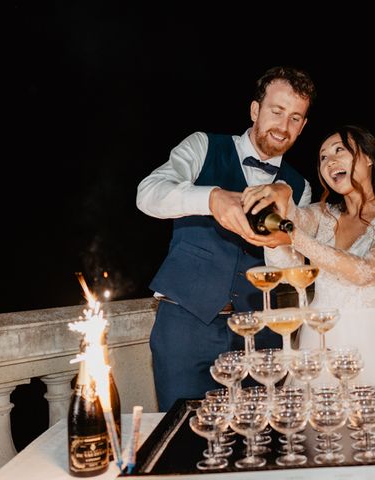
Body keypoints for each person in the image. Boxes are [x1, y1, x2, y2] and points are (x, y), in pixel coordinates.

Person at [136, 66, 317, 411]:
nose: (283, 126)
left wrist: (280, 243)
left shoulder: (299, 187)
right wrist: (210, 198)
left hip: (261, 334)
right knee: (184, 434)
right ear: (255, 110)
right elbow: (148, 193)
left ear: (303, 125)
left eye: (295, 118)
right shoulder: (203, 145)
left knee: (259, 438)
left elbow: (292, 267)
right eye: (276, 112)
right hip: (185, 326)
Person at [241, 124, 375, 400]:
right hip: (318, 339)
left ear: (368, 157)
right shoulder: (321, 215)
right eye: (322, 157)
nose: (329, 161)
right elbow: (289, 233)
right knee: (318, 432)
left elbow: (365, 272)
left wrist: (293, 236)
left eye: (339, 150)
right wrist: (281, 195)